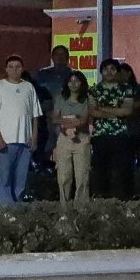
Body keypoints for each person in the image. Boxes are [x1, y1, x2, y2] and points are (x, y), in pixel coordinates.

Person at [0, 55, 41, 205]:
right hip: (5, 141)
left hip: (25, 142)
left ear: (22, 69)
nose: (14, 70)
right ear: (6, 69)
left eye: (18, 67)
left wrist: (34, 136)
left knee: (21, 179)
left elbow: (35, 115)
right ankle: (6, 210)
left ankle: (17, 207)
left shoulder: (28, 87)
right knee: (4, 178)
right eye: (11, 67)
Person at [89, 58, 140, 199]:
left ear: (117, 72)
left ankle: (123, 198)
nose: (109, 72)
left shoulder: (126, 89)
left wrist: (103, 109)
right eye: (106, 69)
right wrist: (116, 112)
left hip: (121, 134)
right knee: (100, 168)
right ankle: (101, 197)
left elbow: (127, 111)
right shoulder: (94, 90)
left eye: (113, 69)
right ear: (101, 72)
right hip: (100, 135)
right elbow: (92, 111)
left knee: (122, 168)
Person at [51, 70, 93, 203]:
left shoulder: (87, 100)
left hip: (82, 139)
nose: (73, 84)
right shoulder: (61, 98)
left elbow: (83, 119)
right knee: (63, 176)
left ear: (82, 83)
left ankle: (81, 208)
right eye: (70, 81)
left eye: (77, 81)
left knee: (82, 176)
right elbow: (54, 118)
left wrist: (69, 122)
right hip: (64, 139)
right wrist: (69, 122)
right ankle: (64, 208)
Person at [32, 45, 75, 165]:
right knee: (44, 147)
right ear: (52, 57)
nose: (60, 57)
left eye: (63, 54)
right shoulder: (42, 74)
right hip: (45, 119)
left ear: (68, 57)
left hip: (66, 119)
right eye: (57, 54)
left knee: (67, 150)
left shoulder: (74, 75)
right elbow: (35, 95)